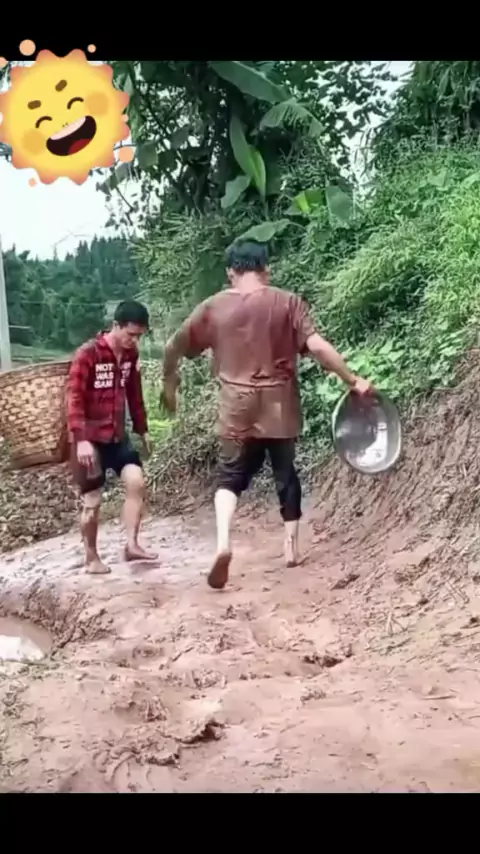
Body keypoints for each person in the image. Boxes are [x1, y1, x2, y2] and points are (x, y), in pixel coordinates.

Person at [161, 241, 372, 590]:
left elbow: (173, 346)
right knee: (285, 471)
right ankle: (290, 546)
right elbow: (317, 347)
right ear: (266, 269)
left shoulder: (213, 307)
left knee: (229, 477)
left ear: (231, 272)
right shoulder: (288, 302)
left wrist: (169, 383)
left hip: (236, 403)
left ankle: (223, 543)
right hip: (279, 402)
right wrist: (352, 380)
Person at [67, 299, 156, 575]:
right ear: (115, 325)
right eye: (130, 334)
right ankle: (91, 557)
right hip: (89, 440)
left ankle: (132, 545)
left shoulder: (130, 355)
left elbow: (134, 394)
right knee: (92, 500)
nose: (134, 341)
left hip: (117, 436)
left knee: (136, 482)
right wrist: (81, 439)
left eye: (139, 336)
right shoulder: (88, 354)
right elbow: (74, 397)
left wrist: (142, 430)